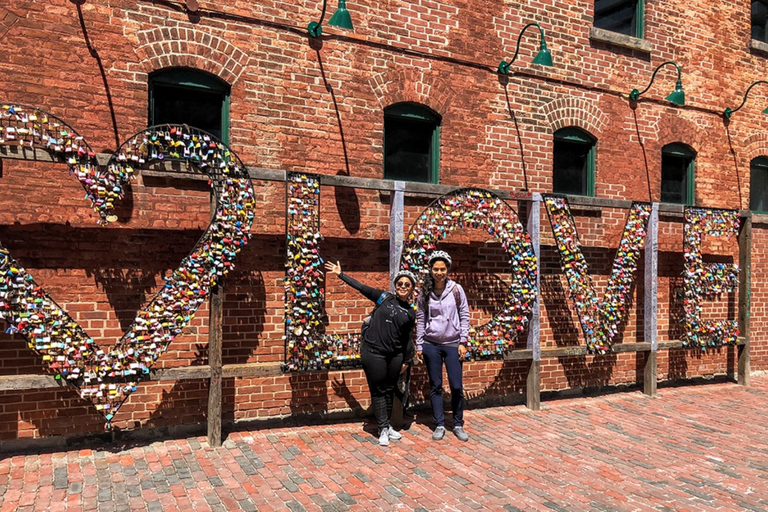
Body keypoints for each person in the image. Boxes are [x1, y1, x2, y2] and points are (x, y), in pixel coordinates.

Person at [325, 260, 417, 446]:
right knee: (378, 389)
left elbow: (407, 338)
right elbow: (361, 287)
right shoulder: (384, 297)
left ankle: (388, 425)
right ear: (395, 285)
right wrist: (340, 274)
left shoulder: (410, 312)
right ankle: (382, 428)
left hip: (395, 356)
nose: (403, 287)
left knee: (390, 389)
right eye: (400, 283)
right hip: (373, 352)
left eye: (407, 285)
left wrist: (406, 360)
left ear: (412, 289)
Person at [416, 250, 470, 442]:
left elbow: (464, 316)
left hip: (453, 344)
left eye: (442, 269)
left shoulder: (456, 290)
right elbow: (421, 319)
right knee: (436, 385)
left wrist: (463, 341)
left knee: (456, 386)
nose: (439, 272)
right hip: (431, 344)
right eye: (435, 269)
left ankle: (457, 423)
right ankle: (439, 424)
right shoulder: (424, 291)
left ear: (447, 269)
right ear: (430, 270)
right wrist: (419, 345)